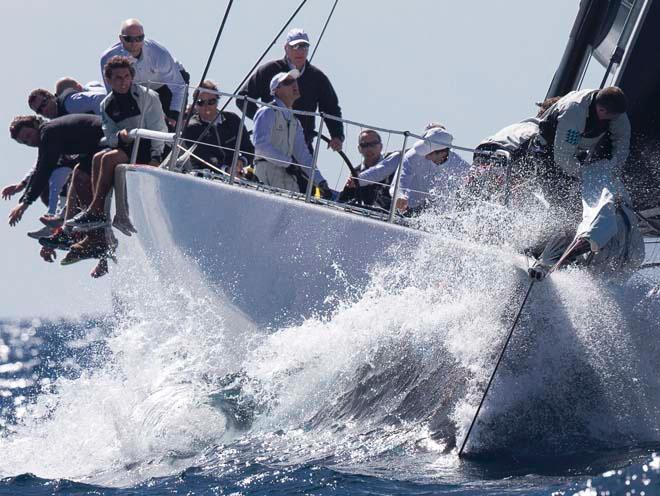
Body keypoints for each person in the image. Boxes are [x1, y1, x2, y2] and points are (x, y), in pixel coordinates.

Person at [66, 56, 167, 239]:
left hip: (150, 146)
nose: (123, 81)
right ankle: (98, 212)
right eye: (118, 78)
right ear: (109, 80)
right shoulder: (107, 104)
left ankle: (96, 210)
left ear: (132, 76)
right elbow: (109, 135)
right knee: (99, 157)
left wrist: (156, 157)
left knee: (108, 158)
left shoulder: (147, 96)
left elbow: (158, 128)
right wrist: (119, 137)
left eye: (127, 76)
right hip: (128, 146)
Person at [238, 28, 344, 151]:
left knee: (309, 169)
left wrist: (337, 135)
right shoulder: (268, 70)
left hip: (303, 142)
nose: (300, 51)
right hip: (272, 141)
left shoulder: (317, 77)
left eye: (304, 47)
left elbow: (331, 108)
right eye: (295, 46)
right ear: (286, 48)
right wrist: (264, 120)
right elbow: (242, 98)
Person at [532, 86, 630, 216]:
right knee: (558, 197)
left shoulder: (616, 112)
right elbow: (563, 156)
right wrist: (586, 175)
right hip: (548, 152)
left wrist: (612, 169)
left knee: (582, 192)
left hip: (578, 151)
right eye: (611, 117)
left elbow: (622, 142)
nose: (615, 119)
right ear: (601, 109)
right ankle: (559, 224)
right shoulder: (574, 111)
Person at [6, 114, 103, 227]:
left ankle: (91, 220)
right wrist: (24, 199)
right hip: (95, 148)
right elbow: (39, 169)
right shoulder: (48, 134)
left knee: (78, 176)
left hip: (107, 139)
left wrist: (25, 203)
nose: (30, 141)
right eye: (25, 142)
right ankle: (67, 226)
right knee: (76, 176)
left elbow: (45, 169)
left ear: (35, 125)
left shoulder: (48, 131)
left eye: (29, 135)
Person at [252, 69, 332, 197]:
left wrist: (320, 181)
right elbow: (260, 146)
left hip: (288, 177)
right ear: (276, 90)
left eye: (295, 81)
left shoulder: (295, 121)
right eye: (288, 82)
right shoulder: (267, 112)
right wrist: (287, 162)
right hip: (267, 172)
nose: (294, 84)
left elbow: (303, 156)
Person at [100, 18, 187, 129]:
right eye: (129, 39)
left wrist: (174, 114)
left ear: (144, 37)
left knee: (172, 126)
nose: (134, 43)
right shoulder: (108, 58)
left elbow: (178, 86)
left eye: (139, 38)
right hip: (136, 92)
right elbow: (113, 93)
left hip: (166, 86)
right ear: (121, 39)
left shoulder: (159, 53)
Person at [181, 80, 254, 175]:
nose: (206, 106)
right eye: (200, 102)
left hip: (236, 175)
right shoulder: (191, 127)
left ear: (217, 100)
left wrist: (241, 162)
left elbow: (249, 148)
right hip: (204, 176)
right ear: (195, 105)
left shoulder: (233, 119)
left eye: (211, 101)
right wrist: (226, 170)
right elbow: (203, 156)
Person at [394, 127, 471, 215]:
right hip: (408, 208)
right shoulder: (413, 155)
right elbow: (399, 182)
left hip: (441, 215)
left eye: (429, 152)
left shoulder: (461, 166)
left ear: (443, 153)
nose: (425, 156)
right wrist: (399, 196)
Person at [339, 129, 399, 208]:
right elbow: (342, 201)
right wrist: (348, 187)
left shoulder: (394, 162)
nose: (369, 148)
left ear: (381, 146)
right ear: (359, 149)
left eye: (373, 144)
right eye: (364, 145)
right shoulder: (356, 171)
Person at [28, 84, 106, 118]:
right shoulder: (57, 125)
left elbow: (98, 99)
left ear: (51, 97)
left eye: (43, 104)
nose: (44, 110)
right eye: (39, 111)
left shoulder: (69, 103)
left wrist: (108, 127)